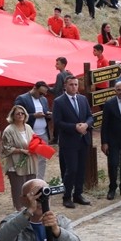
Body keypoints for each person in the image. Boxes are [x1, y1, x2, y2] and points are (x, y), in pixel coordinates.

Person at [51, 76, 94, 208]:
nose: (74, 87)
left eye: (76, 84)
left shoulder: (82, 99)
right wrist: (74, 127)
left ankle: (78, 194)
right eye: (71, 85)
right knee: (71, 169)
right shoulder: (59, 102)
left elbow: (90, 116)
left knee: (81, 168)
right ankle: (67, 196)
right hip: (69, 141)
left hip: (83, 139)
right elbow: (57, 122)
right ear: (65, 86)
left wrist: (86, 125)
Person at [0, 105, 38, 211]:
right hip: (15, 163)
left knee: (31, 185)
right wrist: (21, 150)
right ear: (13, 116)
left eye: (22, 113)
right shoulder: (9, 130)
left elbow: (34, 140)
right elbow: (6, 148)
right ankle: (19, 209)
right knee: (18, 188)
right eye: (18, 113)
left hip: (30, 160)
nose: (20, 115)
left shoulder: (28, 127)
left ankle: (31, 207)